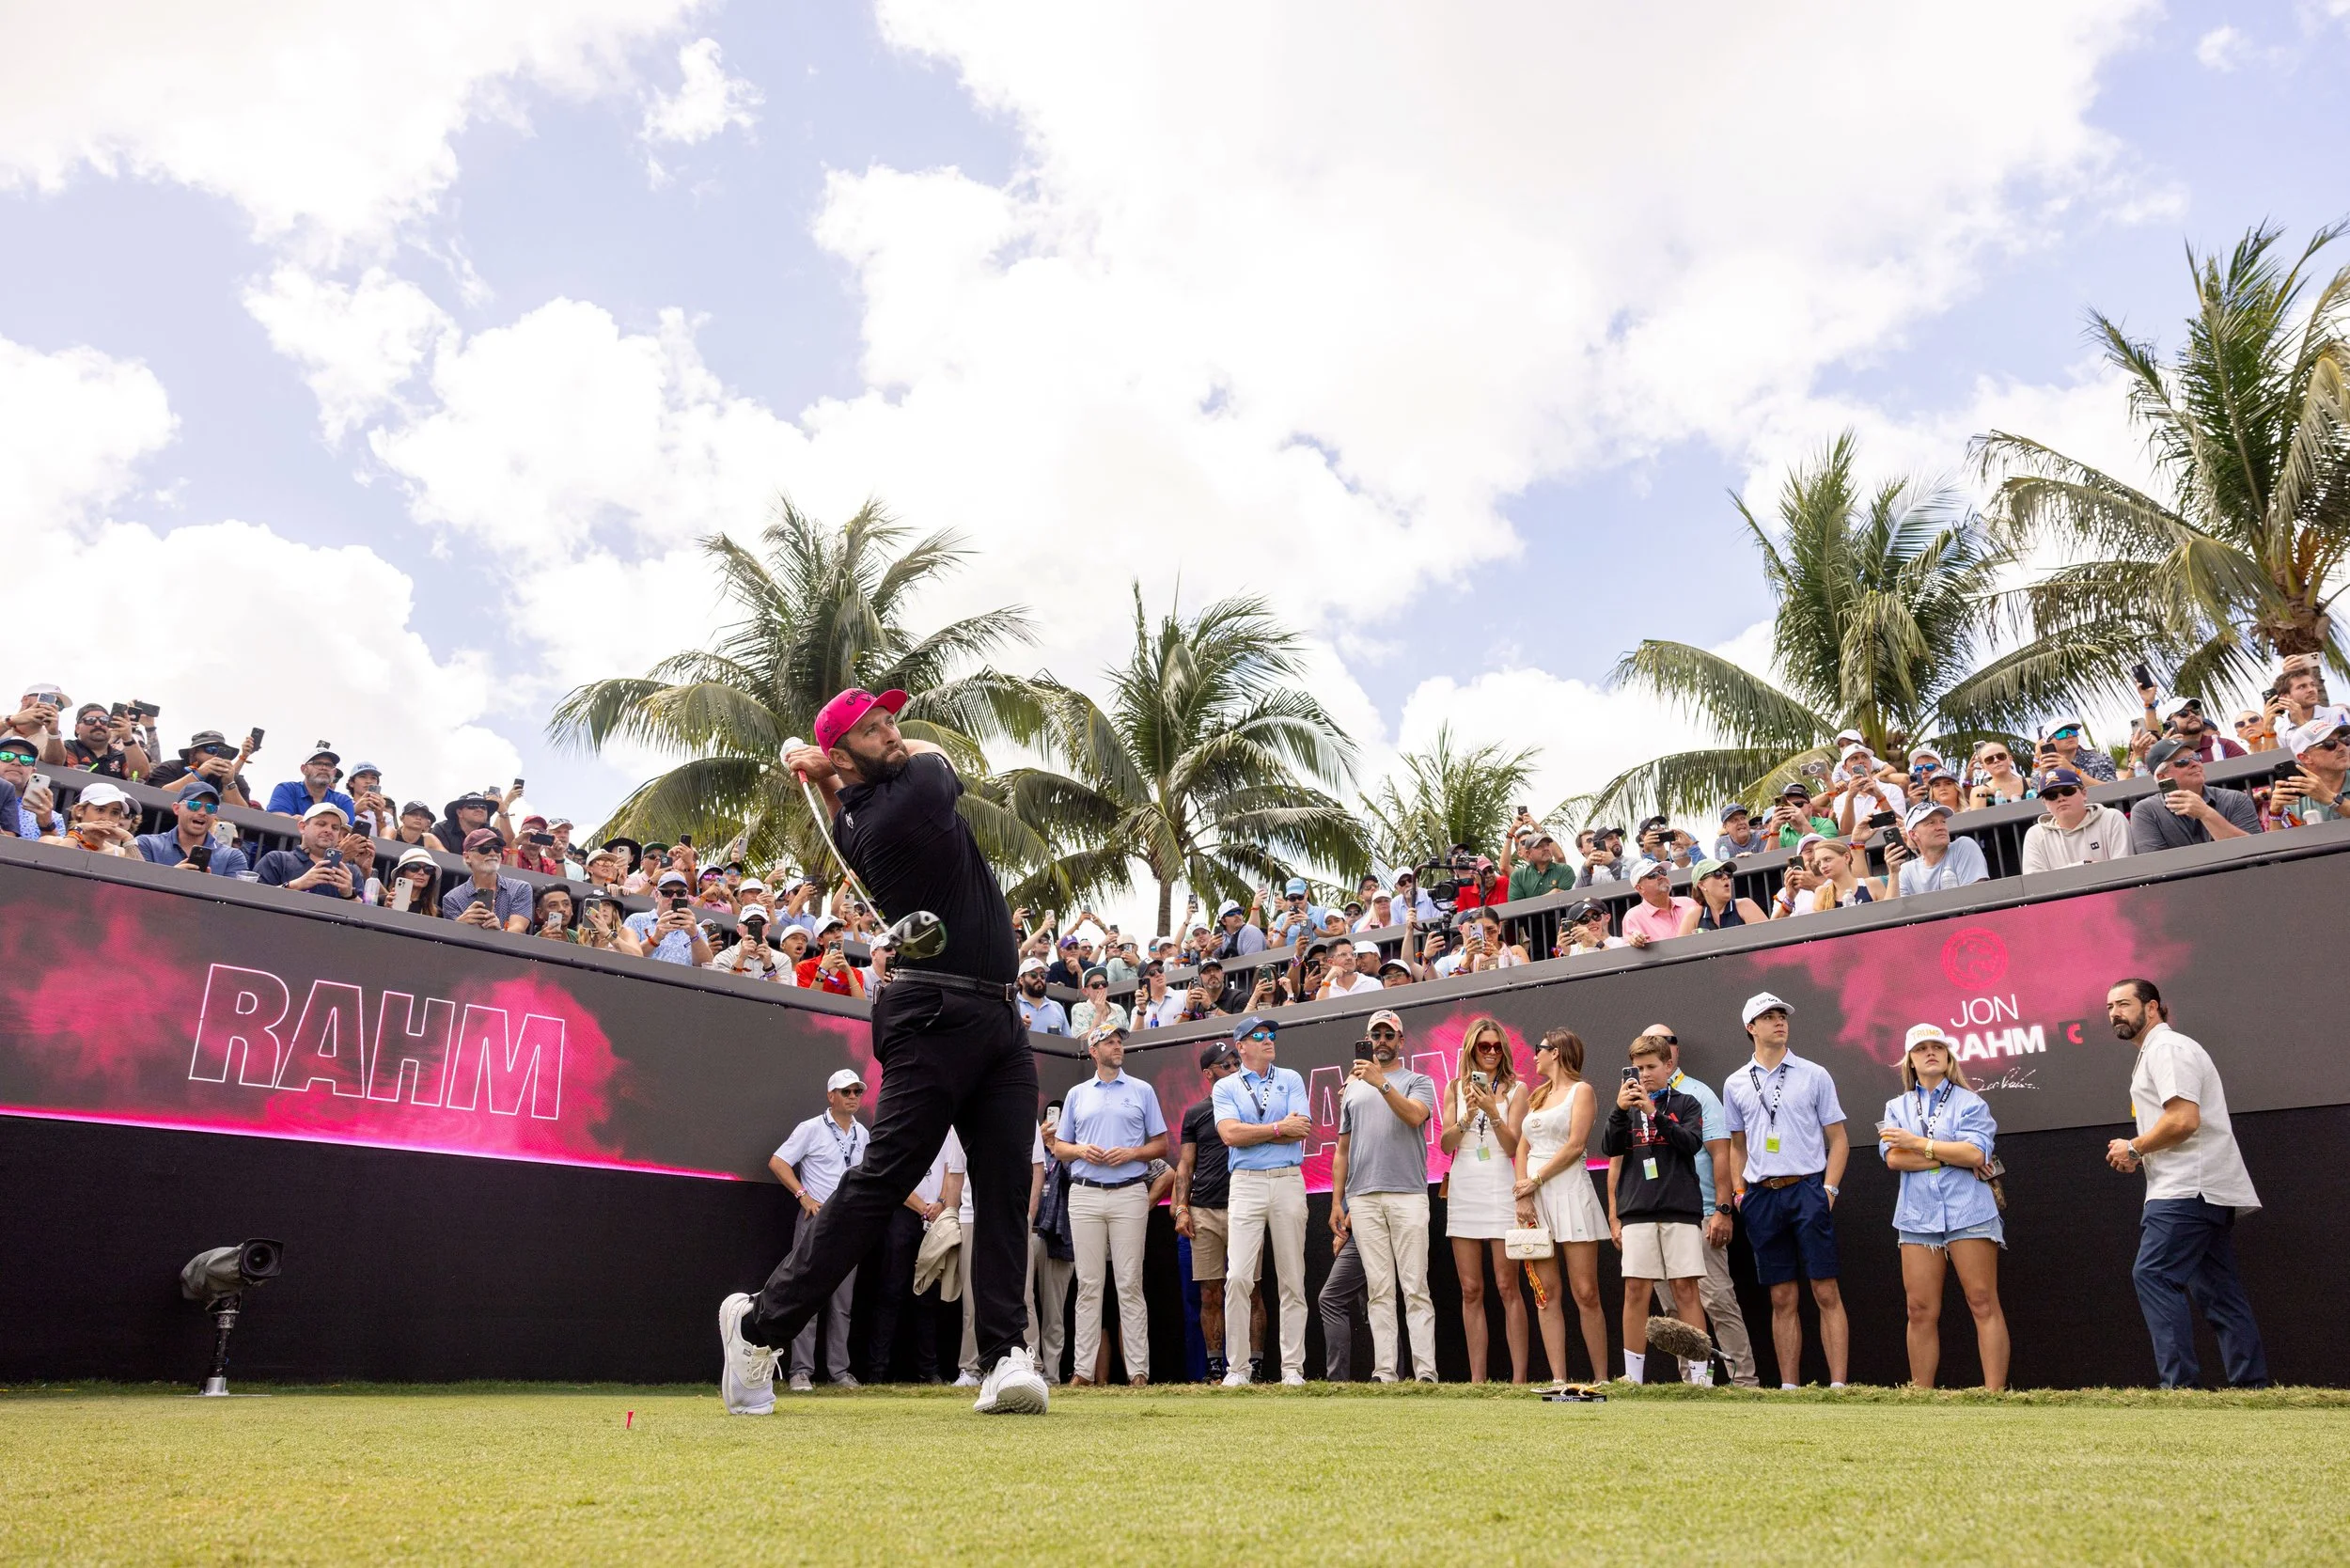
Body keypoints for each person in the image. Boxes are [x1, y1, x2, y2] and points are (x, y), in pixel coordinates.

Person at [723, 689, 1049, 1419]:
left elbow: (860, 784)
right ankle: (757, 1327)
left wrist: (826, 768)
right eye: (872, 730)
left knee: (1001, 1193)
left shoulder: (857, 812)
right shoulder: (910, 801)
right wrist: (824, 766)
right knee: (882, 1181)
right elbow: (937, 757)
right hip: (933, 1013)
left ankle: (1003, 1358)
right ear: (842, 754)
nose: (894, 733)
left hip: (997, 1017)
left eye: (890, 720)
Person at [2103, 979, 2267, 1389]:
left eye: (2123, 1004)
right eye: (2109, 1007)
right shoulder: (2158, 1052)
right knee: (2219, 1293)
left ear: (2153, 1007)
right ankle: (2251, 1387)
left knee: (2154, 1275)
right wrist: (2142, 1152)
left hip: (2186, 1190)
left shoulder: (2168, 1049)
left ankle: (2180, 1389)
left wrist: (2135, 1148)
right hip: (2201, 1187)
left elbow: (2183, 1120)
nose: (2114, 1014)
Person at [1724, 992, 1851, 1388]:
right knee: (1782, 1297)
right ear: (1751, 1028)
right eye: (1769, 1016)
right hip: (1762, 1196)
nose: (1779, 1021)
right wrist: (1740, 1193)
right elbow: (1736, 1144)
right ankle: (1790, 1389)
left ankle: (1839, 1387)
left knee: (1825, 1289)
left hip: (1807, 1189)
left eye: (1782, 1014)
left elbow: (1839, 1138)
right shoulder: (1735, 1082)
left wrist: (1828, 1190)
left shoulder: (1815, 1074)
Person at [1877, 1022, 2009, 1390]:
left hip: (1970, 1210)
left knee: (1982, 1301)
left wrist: (1917, 1143)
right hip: (1918, 1217)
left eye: (1937, 1047)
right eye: (1921, 1049)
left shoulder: (1971, 1102)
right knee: (1919, 1310)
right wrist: (1950, 1154)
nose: (1930, 1052)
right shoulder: (1896, 1106)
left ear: (1949, 1058)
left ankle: (1994, 1396)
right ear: (1910, 1062)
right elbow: (1893, 1159)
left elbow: (1977, 1153)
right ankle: (1921, 1396)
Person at [1048, 1024, 1167, 1387]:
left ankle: (1139, 1373)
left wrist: (1131, 1152)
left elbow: (1161, 1145)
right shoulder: (1077, 1095)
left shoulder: (1142, 1090)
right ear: (1093, 1050)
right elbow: (1060, 1148)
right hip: (1084, 1193)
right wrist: (1082, 1150)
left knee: (1130, 1283)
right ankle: (1082, 1372)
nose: (1118, 1047)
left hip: (1129, 1191)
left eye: (1120, 1042)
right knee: (1088, 1283)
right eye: (1110, 1042)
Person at [1638, 1026, 1758, 1388]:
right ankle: (1695, 1384)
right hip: (1654, 1217)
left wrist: (1723, 1209)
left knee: (1718, 1302)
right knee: (1673, 1309)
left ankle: (1745, 1383)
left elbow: (1721, 1154)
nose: (1665, 1047)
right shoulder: (1633, 1099)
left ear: (1673, 1052)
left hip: (1701, 1213)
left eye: (1670, 1041)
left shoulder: (1697, 1093)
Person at [1330, 1009, 1440, 1383]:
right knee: (1379, 1290)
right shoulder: (1351, 1089)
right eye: (1375, 1035)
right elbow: (1342, 1150)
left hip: (1408, 1192)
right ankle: (1385, 1371)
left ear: (1401, 1041)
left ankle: (1426, 1373)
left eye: (1388, 1035)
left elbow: (1414, 1117)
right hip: (1362, 1198)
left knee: (1415, 1287)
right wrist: (1336, 1201)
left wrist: (1381, 1083)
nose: (1381, 1042)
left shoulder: (1418, 1080)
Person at [1603, 1031, 1711, 1385]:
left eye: (1651, 1066)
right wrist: (1622, 1109)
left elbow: (1691, 1143)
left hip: (1680, 1208)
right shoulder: (1625, 1108)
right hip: (1637, 1210)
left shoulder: (1687, 1103)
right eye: (1637, 1068)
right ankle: (1633, 1378)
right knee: (1636, 1290)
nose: (1644, 1074)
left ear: (1668, 1065)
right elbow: (1609, 1147)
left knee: (1685, 1289)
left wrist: (1654, 1112)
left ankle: (1700, 1376)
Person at [1210, 1013, 1312, 1386]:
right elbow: (1230, 1135)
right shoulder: (1225, 1088)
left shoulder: (1291, 1079)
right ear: (1242, 1047)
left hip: (1287, 1180)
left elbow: (1300, 1129)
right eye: (1259, 1035)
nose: (1269, 1039)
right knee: (1237, 1276)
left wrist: (1270, 1131)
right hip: (1247, 1183)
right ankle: (1237, 1370)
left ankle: (1292, 1369)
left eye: (1271, 1033)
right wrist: (1276, 1128)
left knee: (1292, 1278)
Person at [1513, 1028, 1609, 1385]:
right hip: (1534, 1200)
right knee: (1545, 1293)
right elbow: (1522, 1147)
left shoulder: (1581, 1091)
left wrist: (1535, 1181)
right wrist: (1523, 1193)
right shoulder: (1537, 1096)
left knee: (1586, 1291)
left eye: (1539, 1049)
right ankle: (1558, 1380)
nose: (1534, 1055)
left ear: (1556, 1052)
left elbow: (1574, 1146)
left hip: (1570, 1192)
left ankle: (1601, 1379)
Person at [768, 1069, 872, 1391]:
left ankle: (839, 1371)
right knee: (806, 1295)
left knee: (842, 1301)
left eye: (857, 1091)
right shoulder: (811, 1128)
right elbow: (778, 1162)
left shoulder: (863, 1133)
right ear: (831, 1096)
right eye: (846, 1092)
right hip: (817, 1219)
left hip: (849, 1223)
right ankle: (801, 1371)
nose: (853, 1097)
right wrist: (804, 1197)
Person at [1439, 1016, 1529, 1384]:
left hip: (1500, 1184)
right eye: (1483, 1046)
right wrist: (1467, 1118)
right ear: (1471, 1049)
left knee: (1508, 1286)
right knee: (1470, 1288)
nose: (1491, 1053)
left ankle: (1519, 1379)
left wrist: (1493, 1113)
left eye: (1496, 1046)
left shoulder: (1517, 1088)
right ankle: (1478, 1380)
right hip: (1464, 1187)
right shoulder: (1453, 1088)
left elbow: (1513, 1147)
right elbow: (1446, 1145)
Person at [1175, 1039, 1244, 1383]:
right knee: (1209, 1293)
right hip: (1203, 1209)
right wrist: (1182, 1209)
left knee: (1250, 1288)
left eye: (1235, 1063)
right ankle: (1215, 1368)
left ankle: (1248, 1367)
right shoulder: (1196, 1112)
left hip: (1244, 1206)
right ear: (1208, 1073)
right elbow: (1185, 1166)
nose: (1233, 1069)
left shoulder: (1248, 1104)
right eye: (1225, 1065)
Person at [2127, 737, 2260, 854]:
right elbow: (2156, 867)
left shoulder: (2235, 799)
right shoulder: (2146, 811)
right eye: (2183, 761)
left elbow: (2256, 851)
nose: (2195, 763)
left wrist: (2206, 814)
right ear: (2162, 777)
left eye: (2196, 757)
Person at [2019, 766, 2135, 871]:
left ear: (2084, 794)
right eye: (2052, 796)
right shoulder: (2035, 834)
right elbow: (2035, 884)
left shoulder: (2111, 818)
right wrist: (2085, 865)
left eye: (2068, 791)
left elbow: (2124, 870)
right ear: (2045, 803)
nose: (2061, 798)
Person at [133, 780, 248, 877]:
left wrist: (209, 887)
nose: (202, 812)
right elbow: (138, 892)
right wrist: (172, 877)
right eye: (194, 805)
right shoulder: (147, 844)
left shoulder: (232, 857)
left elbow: (233, 900)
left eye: (210, 808)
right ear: (176, 808)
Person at [254, 801, 366, 899]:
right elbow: (253, 896)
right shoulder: (277, 860)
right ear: (302, 827)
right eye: (321, 824)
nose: (328, 830)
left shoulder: (350, 872)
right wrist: (297, 884)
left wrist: (350, 895)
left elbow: (366, 915)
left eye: (335, 828)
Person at [439, 828, 533, 933]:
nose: (493, 853)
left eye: (497, 848)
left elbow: (518, 928)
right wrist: (460, 923)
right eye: (484, 849)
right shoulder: (452, 898)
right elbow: (452, 938)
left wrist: (499, 931)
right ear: (467, 857)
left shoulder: (520, 888)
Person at [2267, 714, 2350, 827]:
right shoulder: (2294, 794)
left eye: (2345, 740)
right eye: (2330, 744)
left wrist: (2331, 799)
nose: (2342, 748)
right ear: (2305, 758)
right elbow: (2279, 843)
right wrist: (2276, 814)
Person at [1890, 802, 1988, 897]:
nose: (1941, 827)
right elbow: (1894, 911)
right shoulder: (1906, 870)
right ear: (1913, 834)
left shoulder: (1964, 846)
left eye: (1943, 822)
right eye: (1931, 823)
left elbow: (1976, 899)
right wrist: (1894, 873)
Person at [61, 702, 152, 780]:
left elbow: (140, 775)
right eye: (90, 720)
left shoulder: (120, 756)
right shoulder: (68, 747)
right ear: (77, 728)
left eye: (104, 720)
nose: (98, 724)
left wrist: (128, 738)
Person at [265, 743, 355, 822]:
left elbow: (346, 833)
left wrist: (304, 821)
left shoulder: (343, 801)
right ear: (304, 769)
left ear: (334, 772)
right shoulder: (286, 789)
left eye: (329, 765)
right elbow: (278, 820)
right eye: (317, 763)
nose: (324, 768)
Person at [50, 779, 141, 855]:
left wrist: (128, 838)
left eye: (114, 813)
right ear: (80, 811)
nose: (106, 818)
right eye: (100, 810)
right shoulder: (51, 841)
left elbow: (142, 875)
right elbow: (57, 860)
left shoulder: (121, 854)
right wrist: (78, 830)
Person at [1620, 859, 1696, 948]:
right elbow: (1630, 949)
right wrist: (1635, 941)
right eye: (1653, 875)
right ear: (1640, 888)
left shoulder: (1689, 903)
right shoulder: (1633, 917)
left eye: (1662, 872)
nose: (1661, 876)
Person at [1678, 858, 1766, 933]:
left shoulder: (1745, 906)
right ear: (1702, 885)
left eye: (1728, 872)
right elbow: (1680, 951)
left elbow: (1771, 945)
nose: (1725, 877)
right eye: (1717, 873)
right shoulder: (1694, 916)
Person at [1800, 835, 1886, 912]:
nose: (1822, 866)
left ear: (1846, 857)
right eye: (1819, 863)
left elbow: (1889, 917)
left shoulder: (1872, 884)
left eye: (1827, 859)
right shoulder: (1821, 892)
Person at [2033, 715, 2117, 782]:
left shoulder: (2100, 759)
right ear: (2048, 742)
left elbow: (2112, 789)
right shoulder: (2042, 768)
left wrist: (2072, 770)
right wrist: (2044, 777)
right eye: (2062, 734)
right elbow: (2036, 796)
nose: (2070, 736)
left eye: (2073, 732)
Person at [1965, 741, 2035, 809]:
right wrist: (1981, 792)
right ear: (1983, 766)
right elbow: (1977, 819)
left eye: (2001, 756)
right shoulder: (1979, 791)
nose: (1996, 761)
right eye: (1989, 759)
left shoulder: (2029, 783)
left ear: (2010, 759)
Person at [1014, 957, 1069, 1033]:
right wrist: (1017, 1028)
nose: (1039, 978)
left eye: (1043, 975)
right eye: (1033, 975)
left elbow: (1067, 1041)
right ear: (1021, 980)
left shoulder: (1057, 1007)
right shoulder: (1013, 1006)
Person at [384, 847, 442, 918]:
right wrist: (386, 911)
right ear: (402, 872)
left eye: (428, 869)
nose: (422, 873)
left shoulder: (436, 913)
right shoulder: (383, 901)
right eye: (414, 867)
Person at [1556, 900, 1627, 956]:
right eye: (1585, 919)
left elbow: (1620, 970)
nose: (1593, 922)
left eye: (1596, 916)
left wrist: (1596, 943)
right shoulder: (1573, 950)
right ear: (1574, 926)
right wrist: (1565, 953)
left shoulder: (1620, 943)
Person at [1068, 969, 1126, 1035]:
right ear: (1085, 991)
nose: (1101, 987)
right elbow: (1084, 1042)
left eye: (1104, 984)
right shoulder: (1079, 1009)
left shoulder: (1119, 1009)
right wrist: (1099, 1013)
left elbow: (1128, 1038)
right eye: (1095, 985)